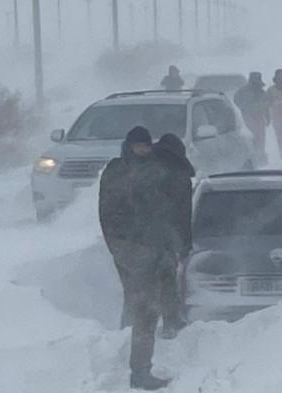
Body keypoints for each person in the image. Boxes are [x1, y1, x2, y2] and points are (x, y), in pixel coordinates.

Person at [98, 126, 170, 390]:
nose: (142, 150)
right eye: (138, 146)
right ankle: (139, 372)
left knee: (146, 310)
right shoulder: (116, 172)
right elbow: (108, 213)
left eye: (146, 146)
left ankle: (140, 368)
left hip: (150, 247)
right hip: (130, 248)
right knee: (145, 309)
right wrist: (122, 245)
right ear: (128, 147)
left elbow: (161, 210)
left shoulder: (154, 170)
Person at [152, 134, 195, 340]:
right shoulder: (180, 176)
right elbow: (183, 214)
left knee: (140, 285)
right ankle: (170, 321)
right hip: (165, 238)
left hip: (142, 237)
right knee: (167, 279)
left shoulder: (145, 170)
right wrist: (185, 244)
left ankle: (130, 324)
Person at [234, 72, 270, 164]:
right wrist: (243, 108)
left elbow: (266, 106)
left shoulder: (262, 93)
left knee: (260, 139)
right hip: (247, 118)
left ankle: (260, 157)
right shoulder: (242, 91)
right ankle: (252, 158)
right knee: (251, 139)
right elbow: (236, 100)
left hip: (259, 118)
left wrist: (267, 117)